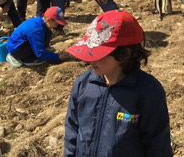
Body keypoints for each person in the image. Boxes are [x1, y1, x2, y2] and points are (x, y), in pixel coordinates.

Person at [64, 10, 172, 157]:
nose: (91, 60)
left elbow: (158, 146)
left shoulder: (147, 91)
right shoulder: (83, 84)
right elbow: (72, 134)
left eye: (98, 55)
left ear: (124, 54)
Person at [6, 6, 72, 67]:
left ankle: (37, 52)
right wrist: (58, 57)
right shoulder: (36, 30)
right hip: (17, 50)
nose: (57, 25)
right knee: (40, 53)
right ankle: (24, 59)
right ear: (48, 20)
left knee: (48, 33)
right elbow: (40, 53)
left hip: (21, 43)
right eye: (56, 23)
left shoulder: (40, 21)